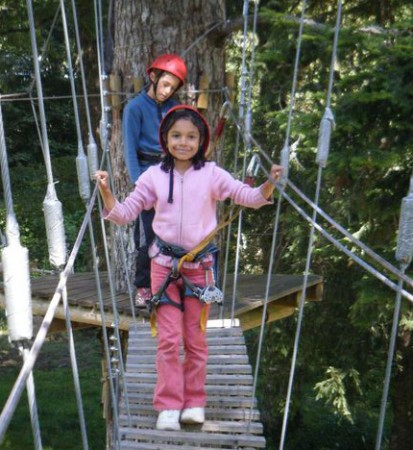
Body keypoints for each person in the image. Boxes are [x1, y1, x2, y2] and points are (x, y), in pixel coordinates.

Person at [95, 105, 283, 432]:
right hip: (163, 268)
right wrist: (107, 193)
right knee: (169, 339)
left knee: (195, 339)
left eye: (191, 136)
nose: (183, 142)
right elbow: (125, 214)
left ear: (202, 140)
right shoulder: (153, 176)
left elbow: (247, 197)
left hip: (200, 269)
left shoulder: (212, 174)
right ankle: (168, 405)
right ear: (165, 139)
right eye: (177, 135)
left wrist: (269, 185)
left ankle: (193, 401)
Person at [122, 53, 187, 309]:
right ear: (153, 77)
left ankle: (172, 284)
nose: (168, 90)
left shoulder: (174, 108)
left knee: (176, 232)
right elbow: (129, 150)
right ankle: (143, 286)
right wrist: (140, 184)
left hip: (172, 171)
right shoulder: (134, 108)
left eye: (173, 87)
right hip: (148, 174)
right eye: (165, 84)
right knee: (148, 235)